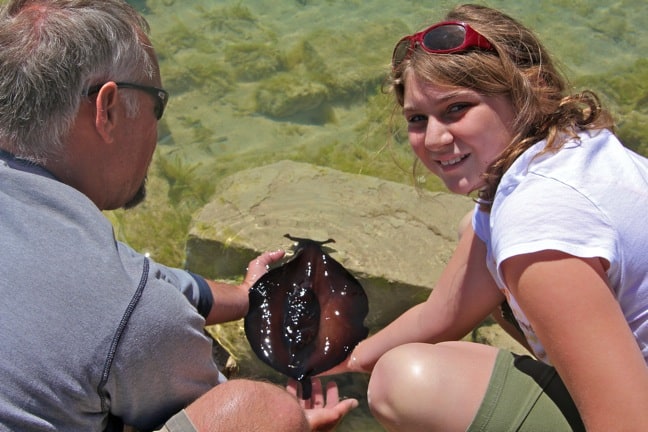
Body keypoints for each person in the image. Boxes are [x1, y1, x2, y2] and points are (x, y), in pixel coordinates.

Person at [0, 1, 356, 431]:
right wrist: (296, 424)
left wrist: (246, 296)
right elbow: (134, 312)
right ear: (108, 109)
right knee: (260, 410)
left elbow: (129, 285)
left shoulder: (86, 266)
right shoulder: (133, 313)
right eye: (157, 105)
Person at [328, 4, 648, 431]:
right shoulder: (568, 148)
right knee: (476, 236)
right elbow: (443, 313)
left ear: (526, 93)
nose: (435, 138)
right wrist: (337, 363)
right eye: (418, 119)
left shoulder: (536, 223)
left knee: (403, 381)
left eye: (457, 108)